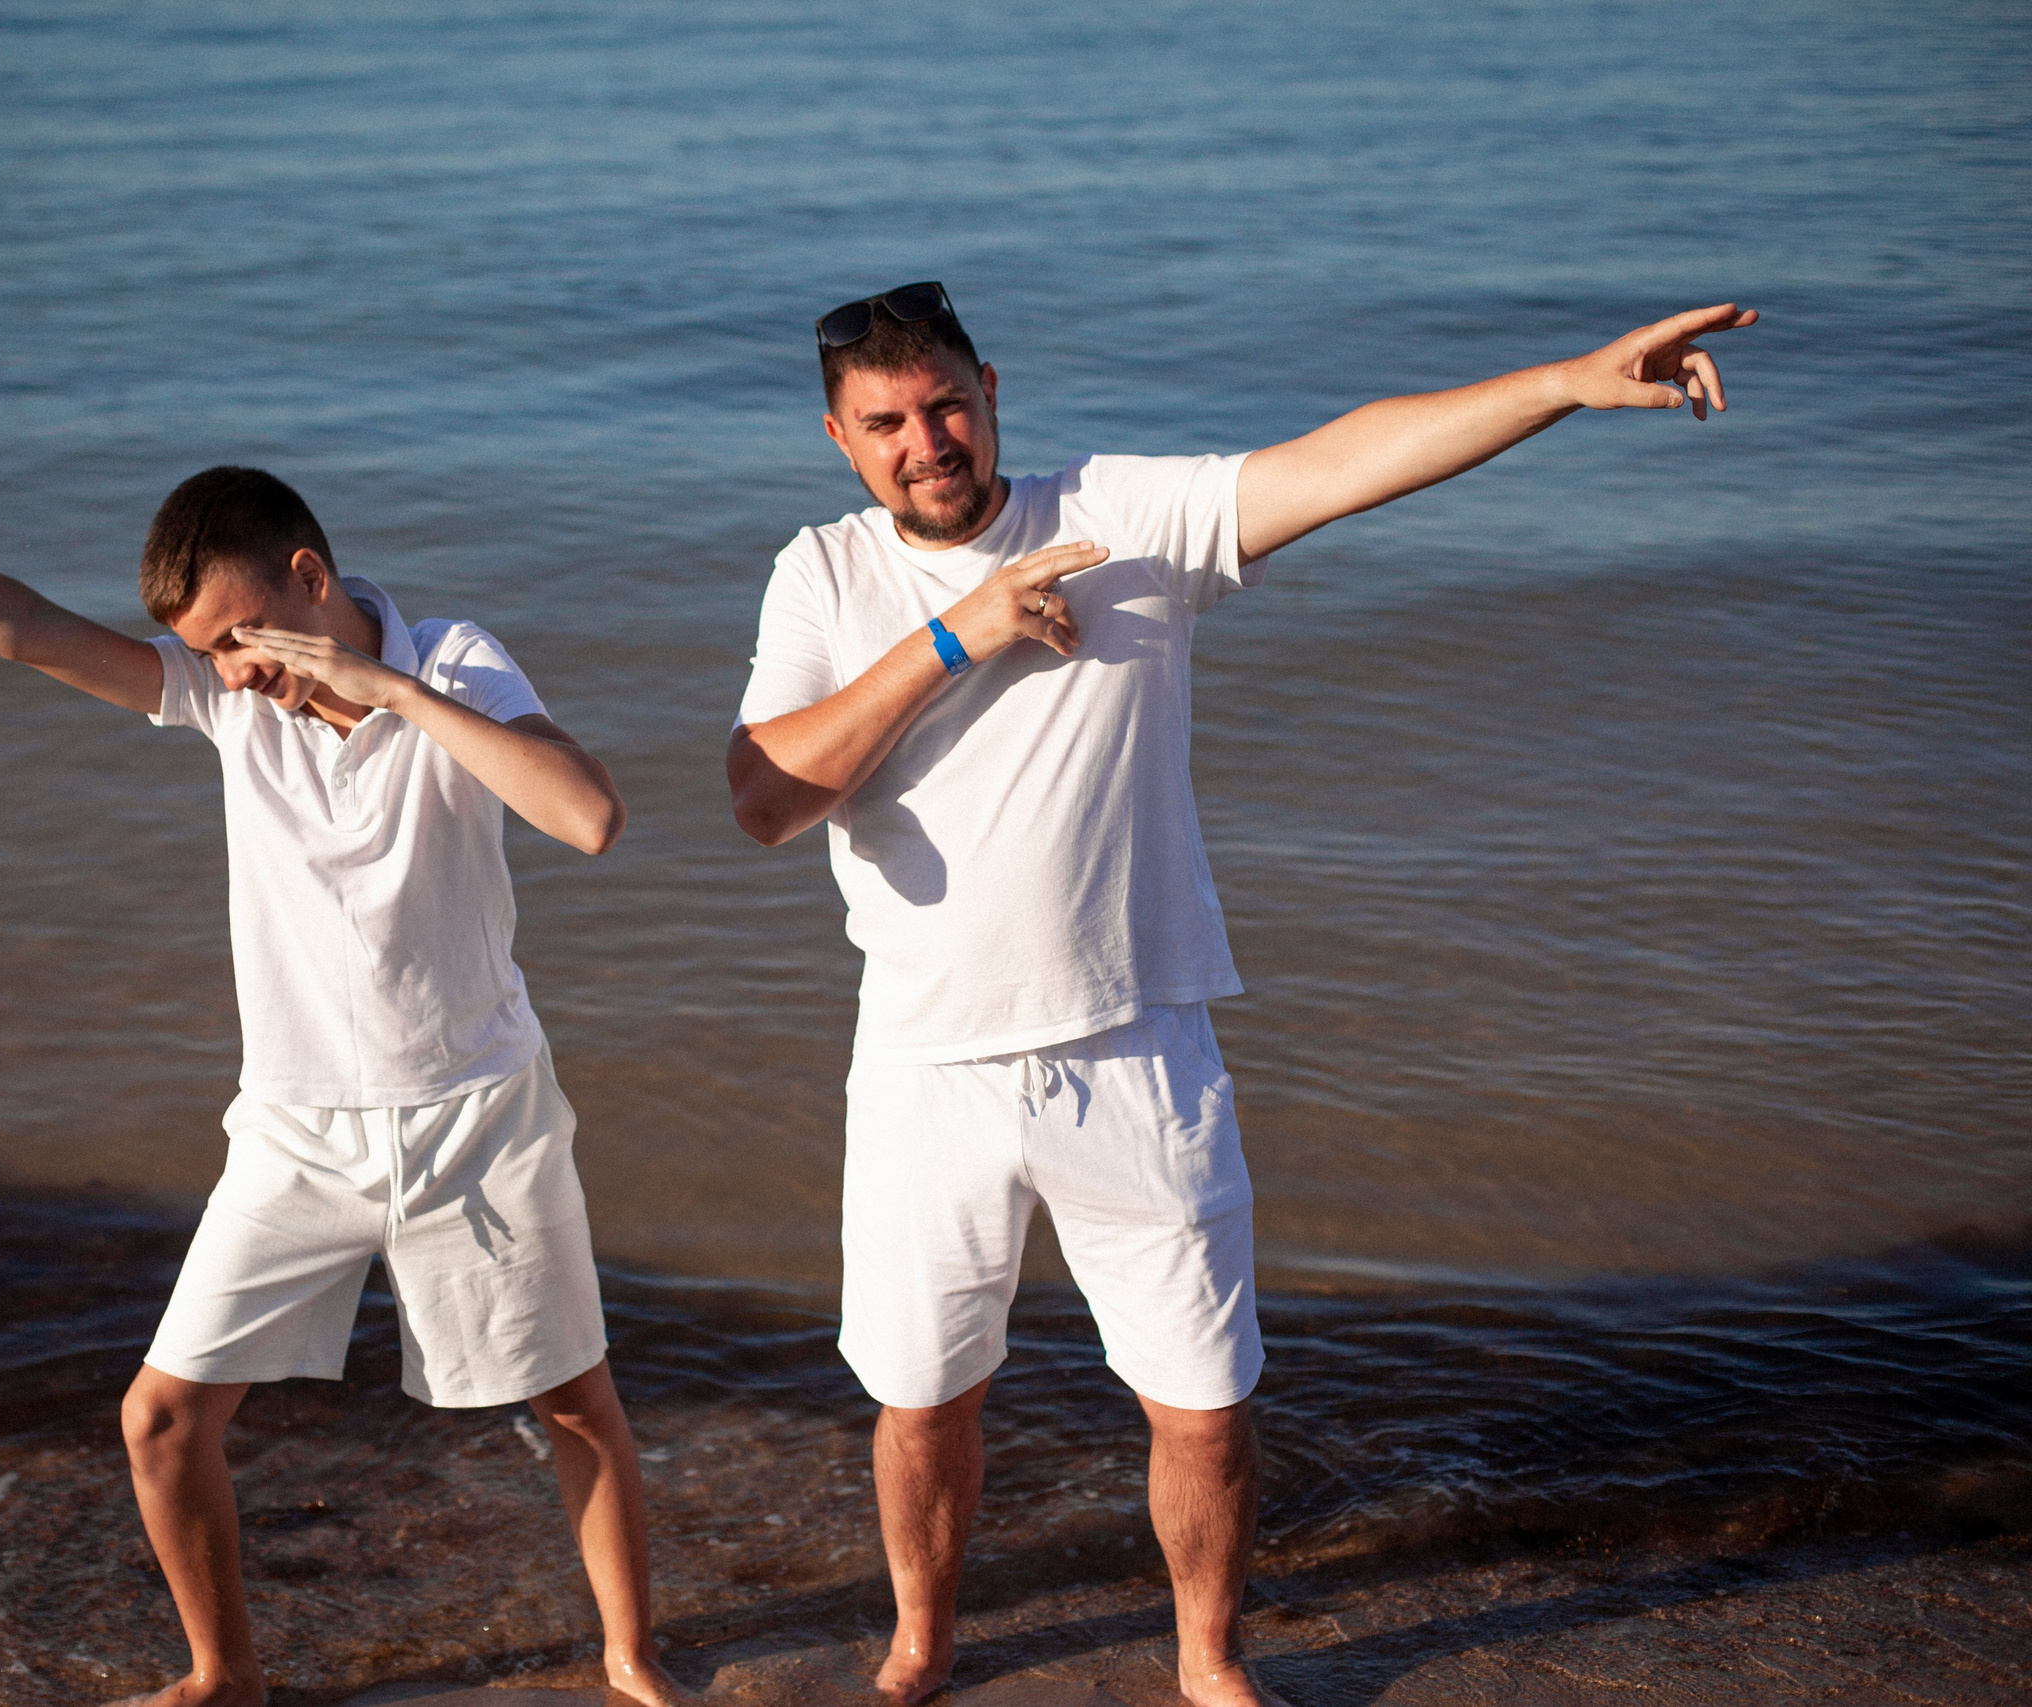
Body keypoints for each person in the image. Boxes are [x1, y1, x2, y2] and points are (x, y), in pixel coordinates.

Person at [727, 282, 1756, 1705]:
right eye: (888, 422)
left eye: (947, 404)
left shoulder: (1119, 516)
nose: (928, 441)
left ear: (991, 390)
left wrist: (1565, 383)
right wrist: (961, 632)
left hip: (1140, 1045)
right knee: (922, 1400)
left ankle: (1209, 1661)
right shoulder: (823, 575)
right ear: (840, 439)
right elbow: (766, 797)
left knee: (1204, 1407)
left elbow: (1344, 459)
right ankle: (921, 1642)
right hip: (925, 1068)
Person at [0, 469, 689, 1707]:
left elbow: (590, 816)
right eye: (206, 650)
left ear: (309, 577)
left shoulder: (451, 663)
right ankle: (223, 1675)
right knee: (162, 1421)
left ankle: (630, 1660)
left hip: (479, 1117)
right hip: (294, 1134)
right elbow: (18, 625)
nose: (230, 670)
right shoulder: (226, 702)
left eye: (242, 637)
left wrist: (391, 691)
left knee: (572, 1404)